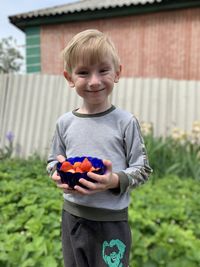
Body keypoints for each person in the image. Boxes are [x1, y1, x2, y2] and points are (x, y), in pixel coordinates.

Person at [47, 29, 152, 267]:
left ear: (117, 73)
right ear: (69, 78)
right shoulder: (65, 123)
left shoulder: (125, 122)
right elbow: (52, 161)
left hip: (111, 222)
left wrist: (114, 180)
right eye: (83, 72)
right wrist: (57, 171)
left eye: (103, 70)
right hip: (72, 217)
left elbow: (143, 169)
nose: (94, 81)